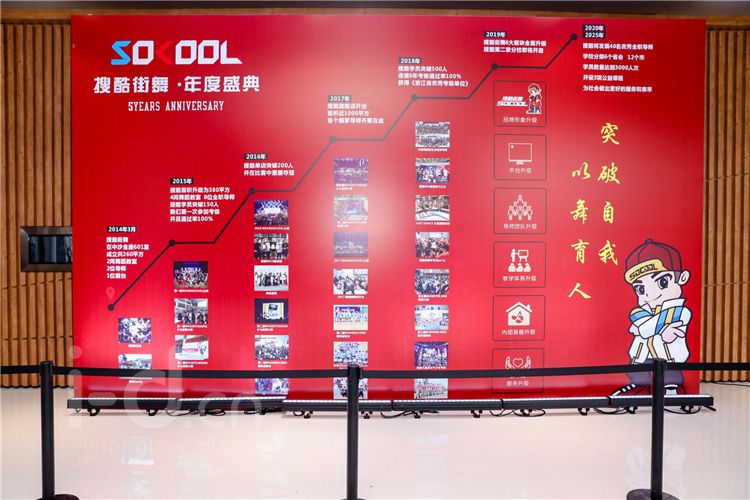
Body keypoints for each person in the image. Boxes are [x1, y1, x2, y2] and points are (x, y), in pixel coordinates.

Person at [615, 239, 692, 395]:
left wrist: (646, 328)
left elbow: (645, 327)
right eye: (640, 289)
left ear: (682, 278)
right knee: (636, 371)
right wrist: (659, 328)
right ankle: (641, 388)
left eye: (662, 282)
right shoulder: (638, 312)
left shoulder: (681, 311)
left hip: (668, 357)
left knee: (671, 376)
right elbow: (645, 327)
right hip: (642, 355)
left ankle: (671, 392)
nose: (650, 294)